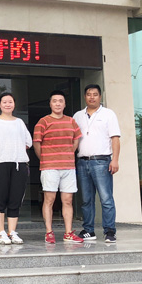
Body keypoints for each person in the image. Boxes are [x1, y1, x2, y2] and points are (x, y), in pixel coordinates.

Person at [32, 90, 83, 244]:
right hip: (50, 167)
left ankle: (68, 233)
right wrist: (45, 159)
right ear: (50, 104)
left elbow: (76, 140)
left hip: (68, 167)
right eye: (54, 101)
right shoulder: (43, 122)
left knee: (68, 200)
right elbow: (36, 143)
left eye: (61, 101)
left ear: (65, 104)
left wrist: (68, 154)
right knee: (49, 199)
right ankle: (49, 232)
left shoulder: (71, 121)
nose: (58, 104)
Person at [73, 84, 121, 244]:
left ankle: (110, 231)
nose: (92, 97)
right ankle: (88, 230)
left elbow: (115, 138)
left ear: (100, 97)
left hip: (102, 161)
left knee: (106, 198)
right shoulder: (77, 116)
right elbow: (73, 139)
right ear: (84, 97)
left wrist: (115, 159)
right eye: (88, 94)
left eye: (95, 94)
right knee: (86, 200)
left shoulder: (108, 114)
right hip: (82, 162)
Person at [0, 92, 31, 245]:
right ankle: (1, 232)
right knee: (0, 199)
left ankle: (12, 232)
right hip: (0, 164)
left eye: (10, 101)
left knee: (15, 199)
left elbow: (28, 142)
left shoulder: (19, 122)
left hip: (19, 164)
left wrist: (15, 151)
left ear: (14, 104)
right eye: (4, 102)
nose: (7, 104)